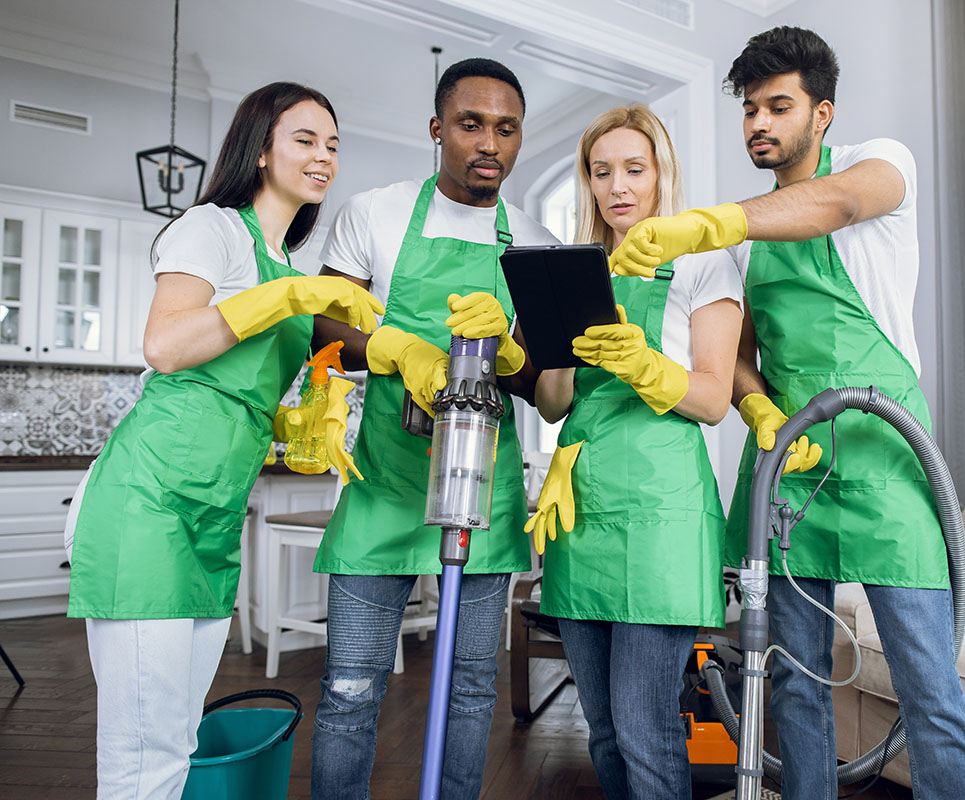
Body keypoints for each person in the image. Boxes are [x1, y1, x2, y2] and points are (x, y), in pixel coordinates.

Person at [608, 27, 965, 800]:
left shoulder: (875, 166)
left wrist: (709, 223)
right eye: (749, 109)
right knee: (791, 687)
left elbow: (836, 205)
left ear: (822, 112)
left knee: (930, 692)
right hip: (790, 466)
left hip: (887, 460)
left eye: (777, 106)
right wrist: (754, 404)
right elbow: (740, 347)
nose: (758, 124)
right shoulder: (747, 243)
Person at [64, 82, 383, 799]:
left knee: (177, 735)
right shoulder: (209, 226)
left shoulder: (290, 267)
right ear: (260, 146)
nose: (324, 156)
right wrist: (292, 298)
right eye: (304, 139)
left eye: (333, 145)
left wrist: (306, 415)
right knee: (143, 751)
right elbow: (167, 344)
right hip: (148, 504)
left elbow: (256, 387)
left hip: (212, 516)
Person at [307, 58, 556, 800]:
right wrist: (393, 348)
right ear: (437, 129)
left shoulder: (534, 239)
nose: (490, 143)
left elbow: (538, 380)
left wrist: (510, 353)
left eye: (506, 129)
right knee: (350, 686)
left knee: (474, 687)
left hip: (480, 486)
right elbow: (325, 319)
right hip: (385, 478)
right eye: (472, 124)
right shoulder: (374, 213)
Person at [526, 104, 742, 800]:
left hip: (661, 516)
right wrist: (537, 343)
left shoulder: (702, 264)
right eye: (601, 171)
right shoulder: (576, 271)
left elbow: (712, 399)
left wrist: (642, 364)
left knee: (646, 728)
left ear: (660, 175)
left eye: (634, 169)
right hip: (582, 508)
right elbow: (558, 401)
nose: (618, 186)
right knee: (603, 728)